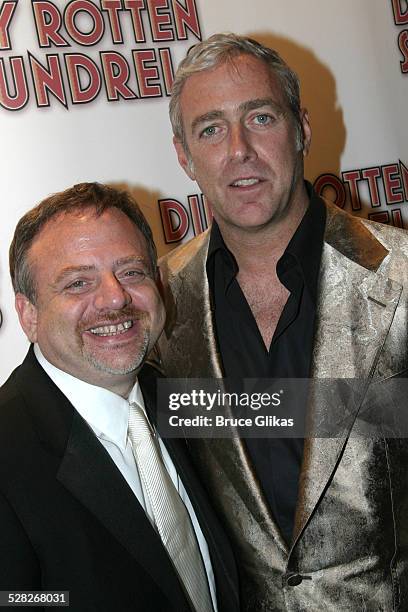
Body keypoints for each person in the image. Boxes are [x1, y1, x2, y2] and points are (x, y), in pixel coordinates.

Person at [157, 33, 408, 610]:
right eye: (210, 129)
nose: (239, 149)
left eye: (260, 117)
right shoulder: (159, 306)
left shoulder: (398, 281)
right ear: (183, 154)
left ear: (302, 129)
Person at [0, 182, 239, 612]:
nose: (114, 297)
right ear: (29, 315)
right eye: (77, 283)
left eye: (131, 272)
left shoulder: (185, 400)